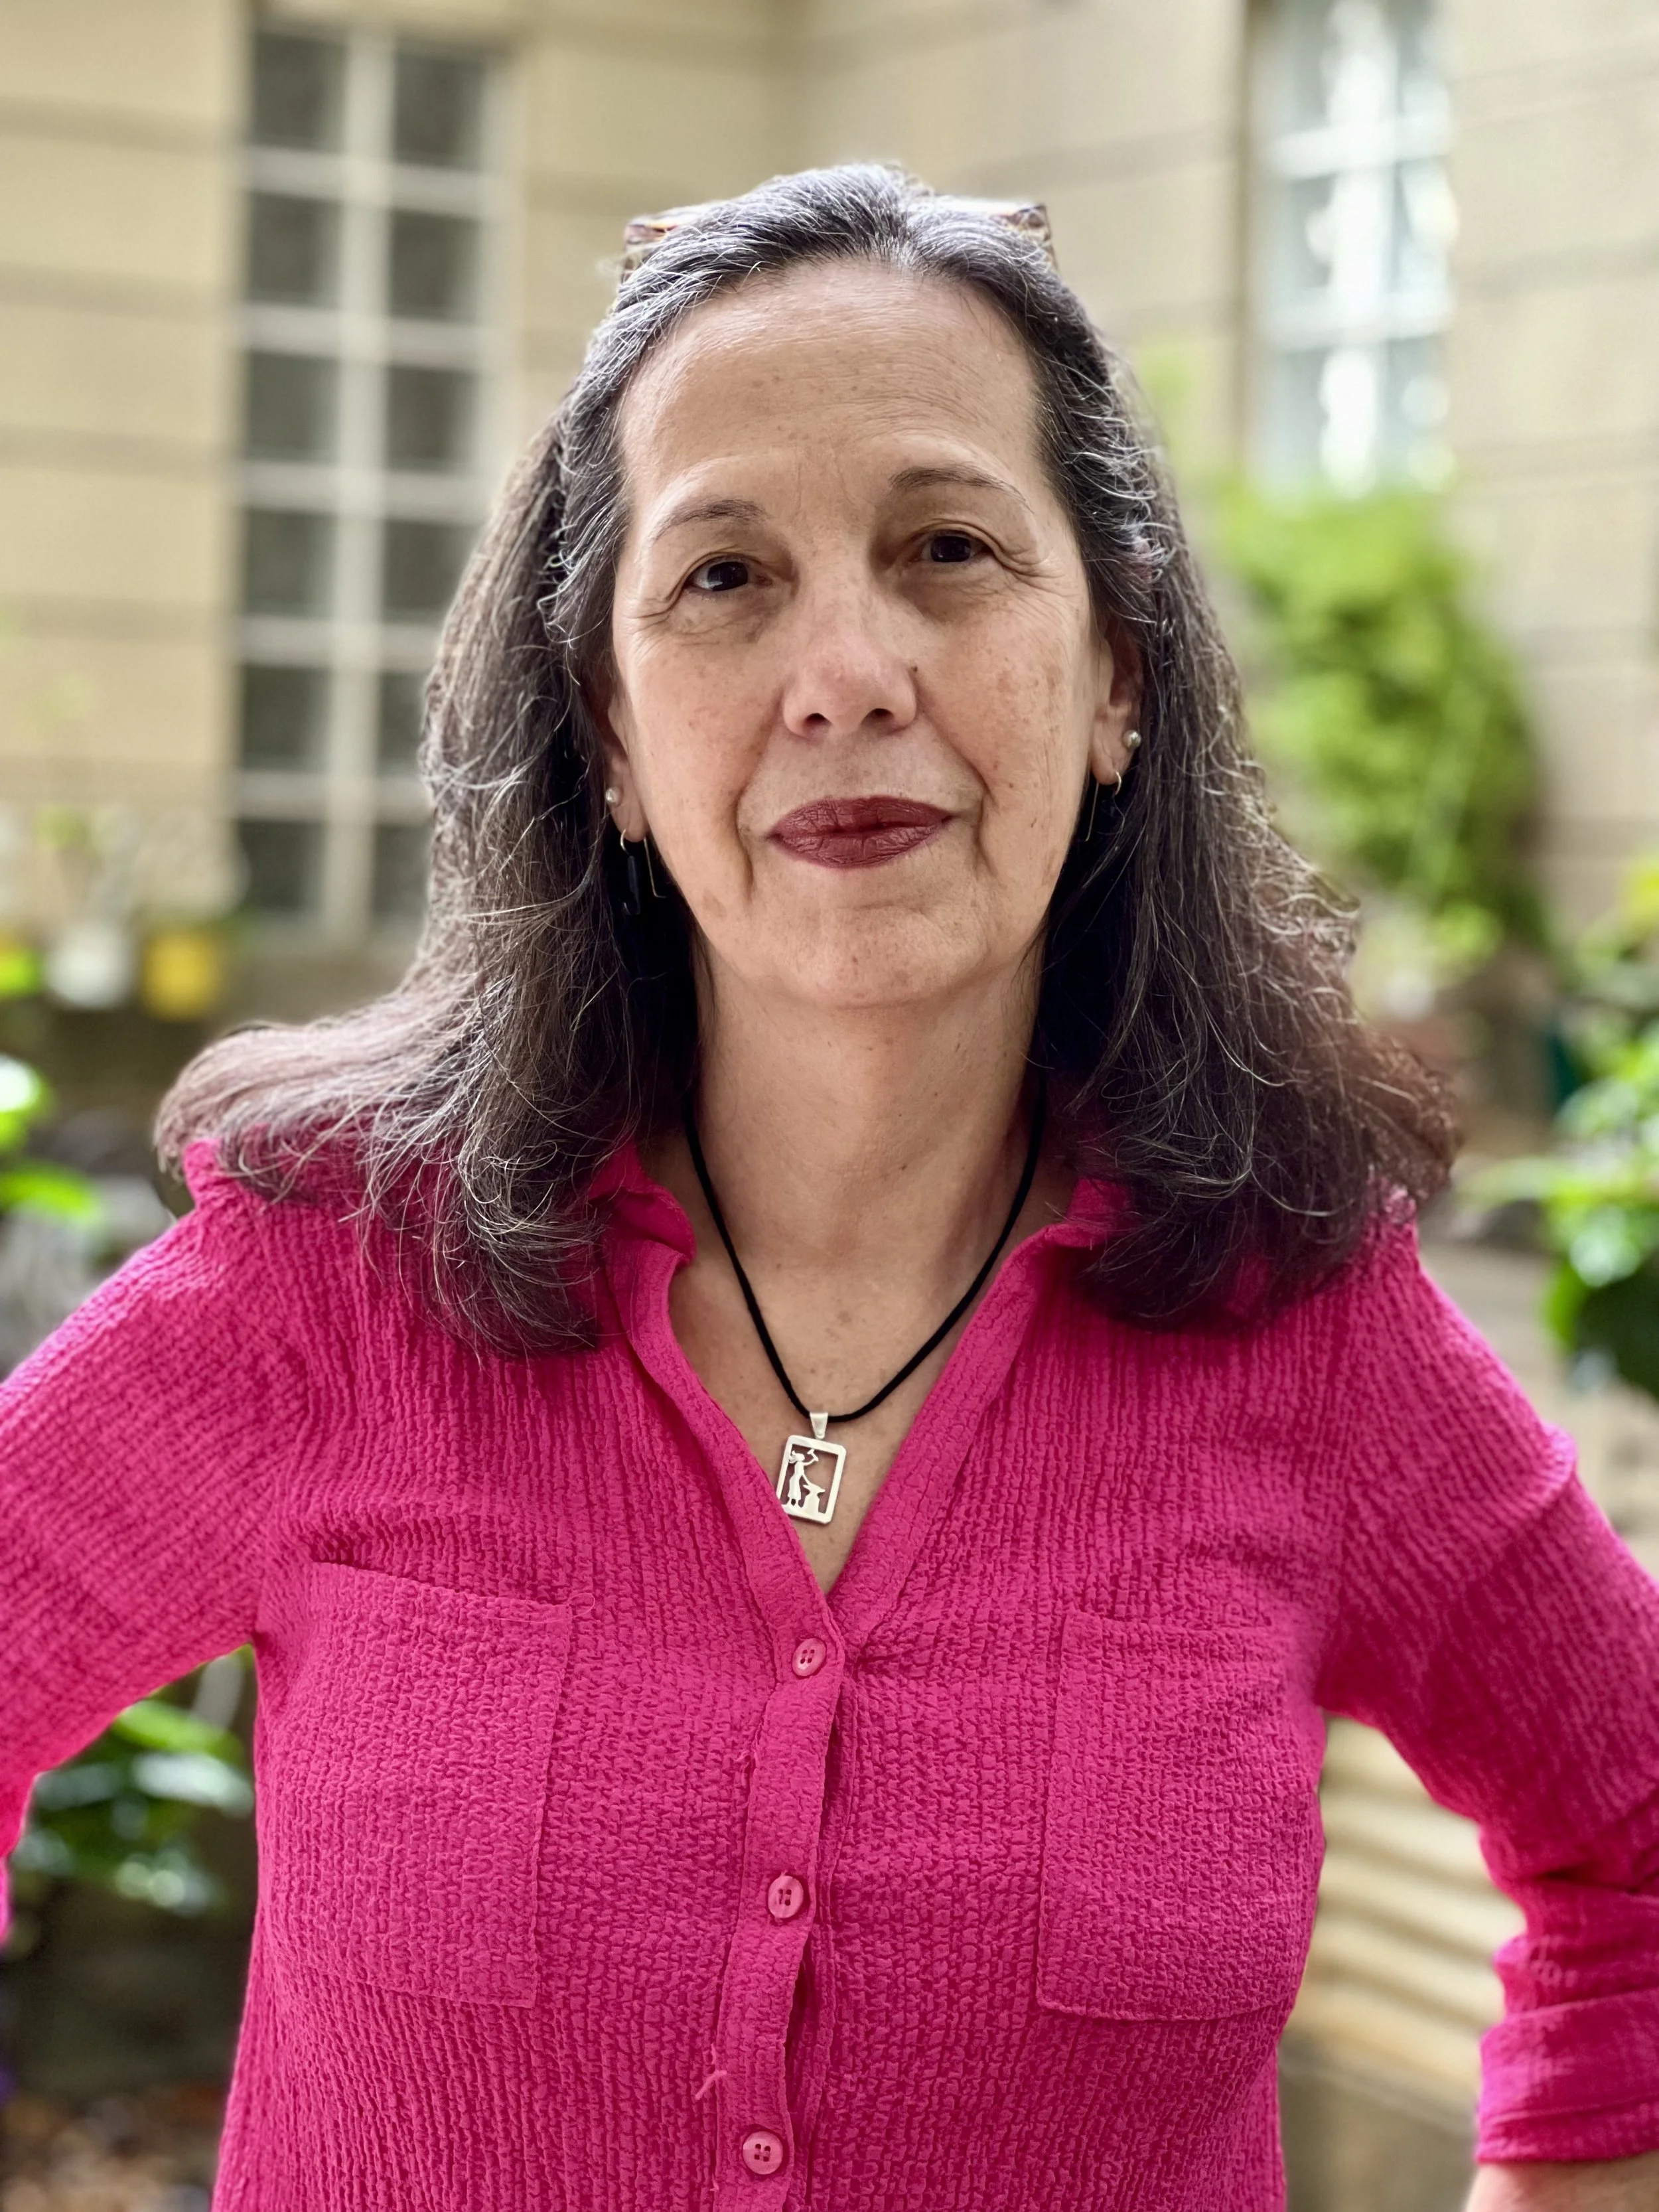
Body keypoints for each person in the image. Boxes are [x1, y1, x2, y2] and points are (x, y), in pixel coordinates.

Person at [3, 166, 1657, 2212]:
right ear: (606, 732)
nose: (847, 670)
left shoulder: (1300, 1321)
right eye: (724, 578)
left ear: (1117, 673)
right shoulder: (340, 1272)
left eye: (947, 548)